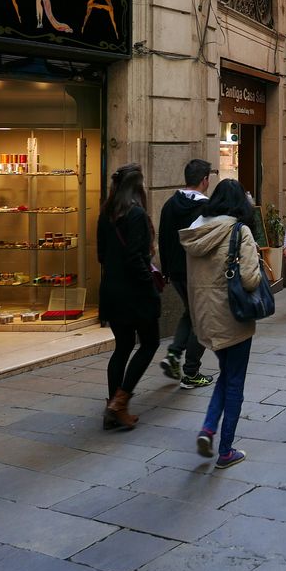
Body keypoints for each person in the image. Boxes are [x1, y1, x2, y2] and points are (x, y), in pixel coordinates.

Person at [180, 178, 261, 469]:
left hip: (204, 317)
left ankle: (208, 427)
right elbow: (251, 279)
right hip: (233, 317)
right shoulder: (240, 231)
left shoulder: (195, 230)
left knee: (226, 374)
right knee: (234, 381)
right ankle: (225, 450)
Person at [97, 163, 161, 430]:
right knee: (149, 343)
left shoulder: (105, 214)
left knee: (122, 347)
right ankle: (119, 402)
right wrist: (150, 287)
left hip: (111, 290)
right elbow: (137, 258)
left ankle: (113, 407)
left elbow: (100, 255)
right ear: (138, 187)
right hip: (134, 292)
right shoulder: (135, 215)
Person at [158, 159, 214, 389]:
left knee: (190, 313)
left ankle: (173, 354)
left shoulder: (170, 204)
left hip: (176, 271)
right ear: (205, 180)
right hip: (198, 272)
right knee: (202, 320)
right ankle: (191, 372)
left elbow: (162, 238)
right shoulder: (206, 208)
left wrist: (166, 269)